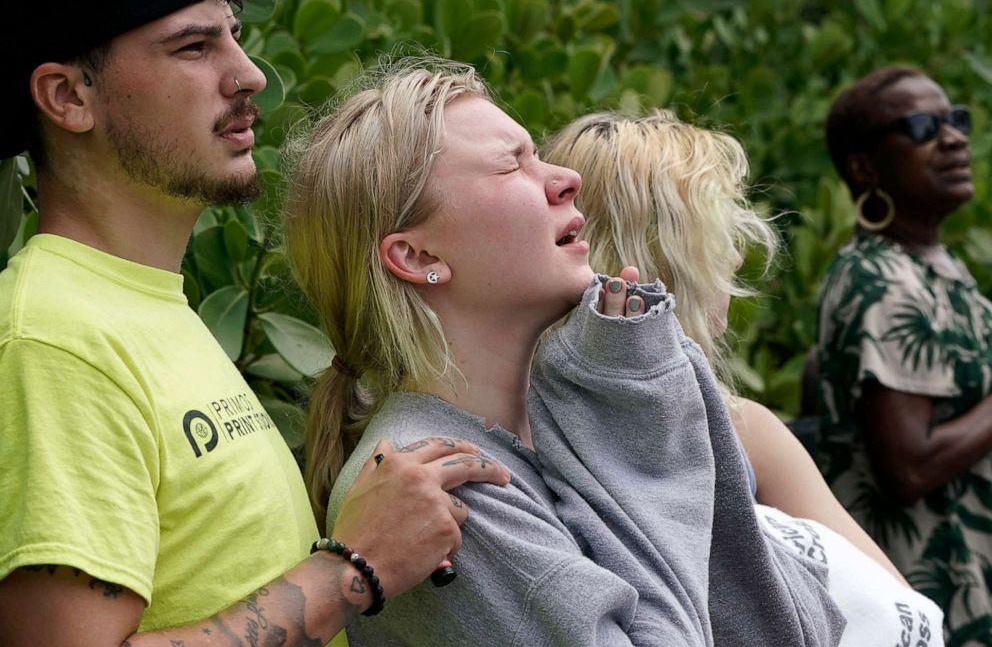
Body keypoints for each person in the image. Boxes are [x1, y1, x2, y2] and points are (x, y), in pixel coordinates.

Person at [0, 0, 509, 645]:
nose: (247, 74)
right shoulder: (52, 339)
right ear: (69, 97)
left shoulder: (144, 308)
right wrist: (352, 569)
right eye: (193, 46)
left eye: (233, 36)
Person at [284, 58, 848, 646]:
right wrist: (644, 426)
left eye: (538, 154)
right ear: (419, 257)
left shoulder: (551, 430)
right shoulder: (444, 489)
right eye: (512, 165)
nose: (565, 179)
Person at [540, 109, 903, 580]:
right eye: (715, 238)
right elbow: (902, 610)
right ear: (662, 258)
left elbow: (902, 612)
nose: (734, 258)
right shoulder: (742, 432)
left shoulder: (518, 421)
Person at [816, 66, 992, 642]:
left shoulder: (937, 269)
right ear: (865, 168)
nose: (953, 138)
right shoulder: (880, 280)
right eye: (921, 126)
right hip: (933, 592)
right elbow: (907, 467)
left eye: (955, 120)